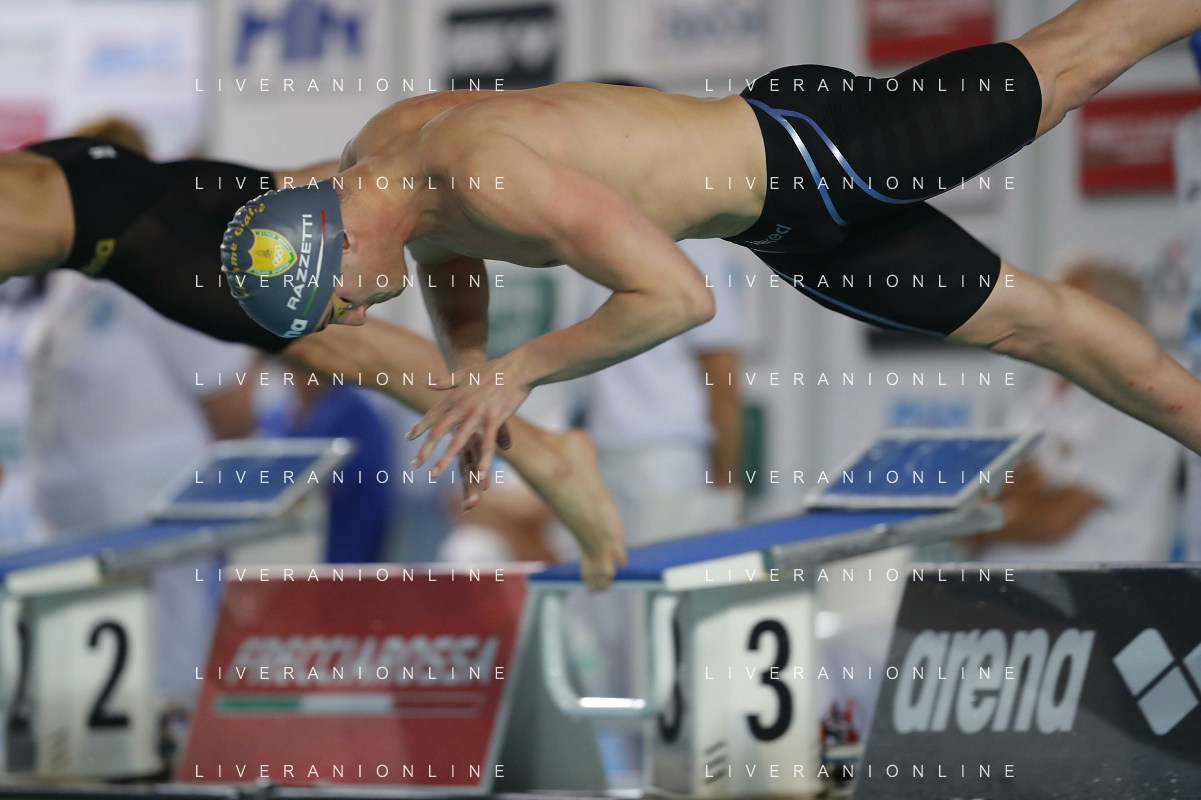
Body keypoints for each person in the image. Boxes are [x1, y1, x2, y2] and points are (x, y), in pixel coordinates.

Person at [220, 0, 1201, 489]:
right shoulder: (385, 170)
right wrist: (469, 366)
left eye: (339, 301)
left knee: (1063, 71)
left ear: (336, 242)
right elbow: (445, 256)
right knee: (1035, 328)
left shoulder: (484, 173)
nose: (357, 317)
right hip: (787, 231)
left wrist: (516, 371)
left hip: (813, 150)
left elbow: (679, 297)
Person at [0, 137, 624, 588]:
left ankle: (544, 453)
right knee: (373, 182)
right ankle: (557, 152)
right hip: (86, 175)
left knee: (329, 339)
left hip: (112, 222)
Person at [966, 259, 1181, 562]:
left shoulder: (1134, 403)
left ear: (1110, 318)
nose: (1042, 314)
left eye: (1061, 304)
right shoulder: (1036, 393)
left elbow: (1055, 522)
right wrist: (1017, 499)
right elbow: (983, 496)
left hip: (1091, 588)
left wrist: (978, 521)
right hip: (1001, 585)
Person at [258, 369, 393, 563]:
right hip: (281, 560)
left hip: (341, 561)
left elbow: (305, 486)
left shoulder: (355, 416)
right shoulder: (277, 417)